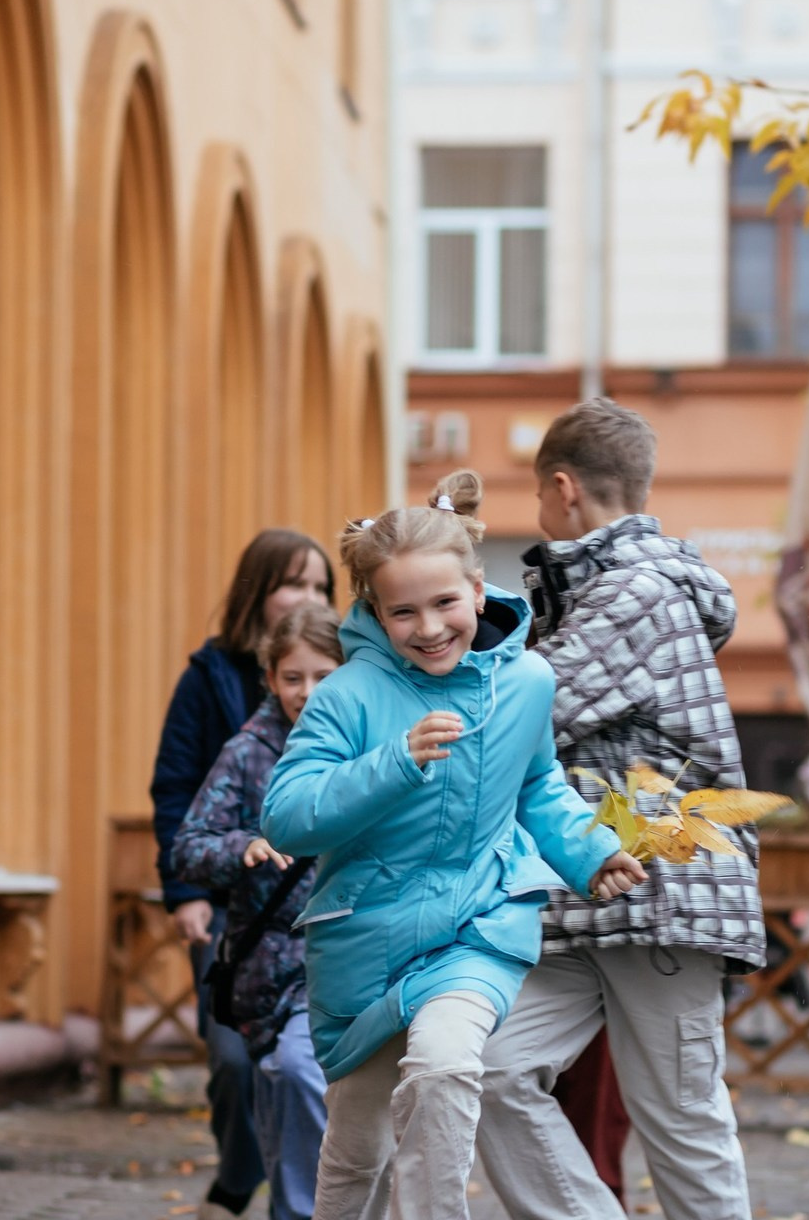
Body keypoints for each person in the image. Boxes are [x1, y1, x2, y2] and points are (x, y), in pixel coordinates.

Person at [260, 470, 646, 1220]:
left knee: (443, 1069)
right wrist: (392, 762)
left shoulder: (527, 681)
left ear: (478, 588)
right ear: (374, 610)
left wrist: (591, 852)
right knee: (356, 1147)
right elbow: (286, 816)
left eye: (444, 603)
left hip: (478, 922)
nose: (429, 627)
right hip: (364, 941)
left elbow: (536, 786)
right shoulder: (347, 695)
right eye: (403, 612)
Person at [474, 397, 767, 1220]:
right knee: (488, 1069)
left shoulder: (639, 594)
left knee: (681, 1124)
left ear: (563, 489)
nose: (537, 514)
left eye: (536, 498)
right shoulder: (600, 591)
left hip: (663, 895)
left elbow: (534, 708)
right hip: (586, 899)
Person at [149, 530, 334, 1220]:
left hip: (332, 940)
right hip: (247, 921)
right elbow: (178, 795)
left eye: (321, 586)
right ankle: (241, 1176)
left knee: (298, 1074)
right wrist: (191, 892)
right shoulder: (214, 685)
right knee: (241, 1065)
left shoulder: (366, 722)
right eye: (296, 583)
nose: (307, 692)